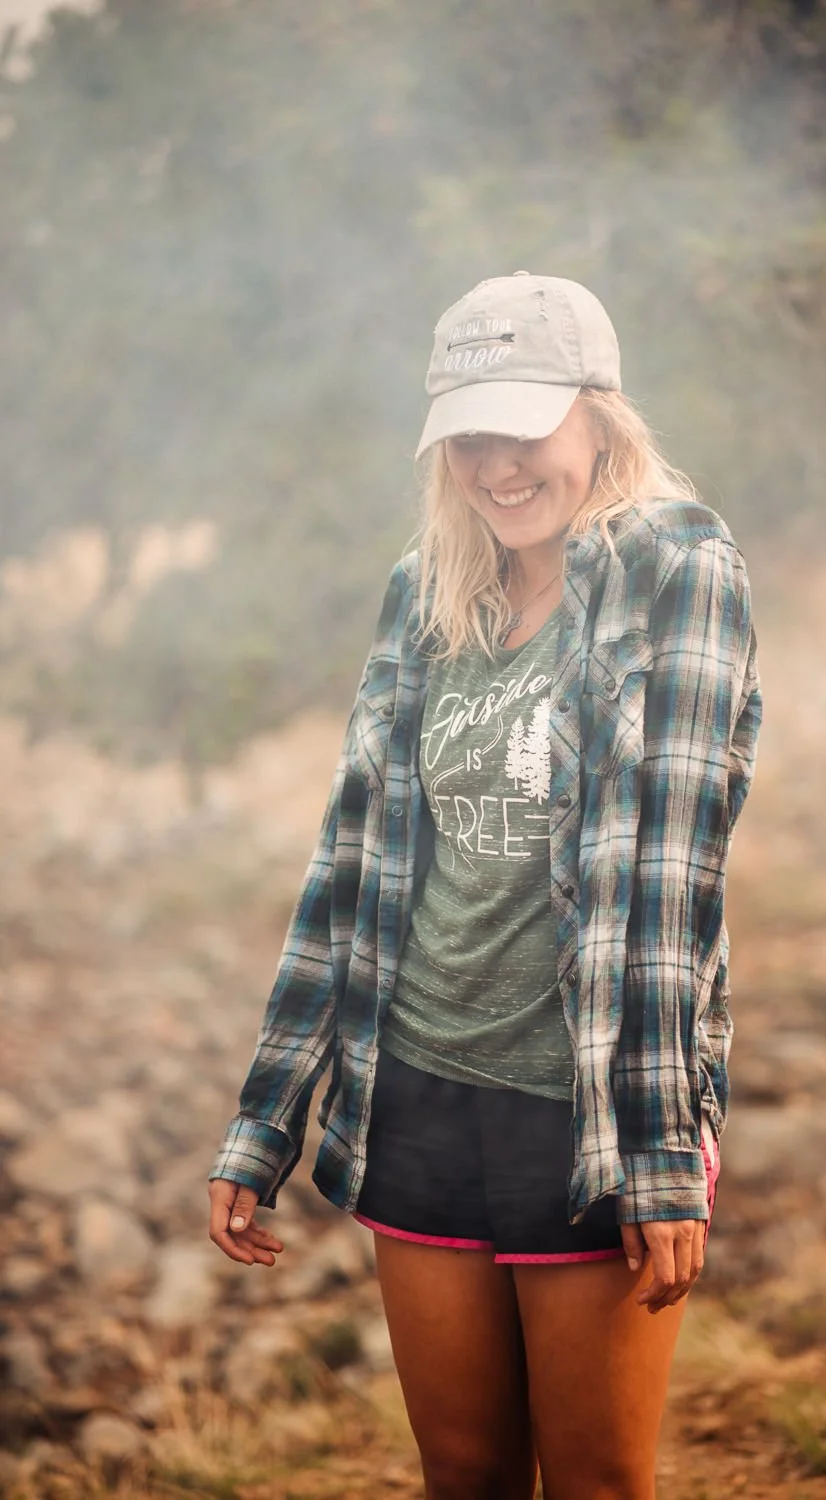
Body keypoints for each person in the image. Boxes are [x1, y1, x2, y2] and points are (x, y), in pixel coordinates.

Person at [208, 271, 762, 1500]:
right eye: (467, 435)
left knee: (596, 1481)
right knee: (461, 1472)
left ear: (597, 415)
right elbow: (349, 864)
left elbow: (662, 877)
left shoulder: (677, 570)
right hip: (411, 1085)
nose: (496, 466)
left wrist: (661, 1146)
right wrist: (267, 1117)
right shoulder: (428, 589)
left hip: (581, 1103)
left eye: (523, 429)